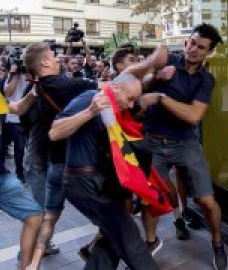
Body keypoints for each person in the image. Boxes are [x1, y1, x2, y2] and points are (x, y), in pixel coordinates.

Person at [47, 45, 168, 269]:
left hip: (97, 182)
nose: (131, 104)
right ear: (117, 88)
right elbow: (54, 132)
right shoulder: (91, 98)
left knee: (114, 237)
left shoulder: (114, 107)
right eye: (130, 98)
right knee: (128, 236)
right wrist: (89, 112)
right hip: (82, 181)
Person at [139, 23, 227, 270]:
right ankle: (150, 242)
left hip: (185, 143)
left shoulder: (206, 80)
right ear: (186, 41)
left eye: (201, 47)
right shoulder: (166, 61)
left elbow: (193, 116)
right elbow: (140, 86)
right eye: (191, 42)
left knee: (207, 201)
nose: (193, 49)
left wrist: (161, 97)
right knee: (150, 198)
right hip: (153, 141)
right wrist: (155, 77)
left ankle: (217, 242)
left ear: (208, 53)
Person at [21, 41, 98, 267]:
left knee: (49, 215)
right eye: (53, 56)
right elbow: (109, 85)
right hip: (77, 166)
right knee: (112, 212)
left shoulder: (37, 89)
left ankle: (33, 263)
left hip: (55, 164)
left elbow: (19, 112)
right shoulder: (66, 86)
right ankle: (95, 247)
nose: (58, 59)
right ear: (44, 62)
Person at [0, 91, 43, 270]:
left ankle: (25, 266)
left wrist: (35, 91)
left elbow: (18, 107)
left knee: (35, 215)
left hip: (1, 177)